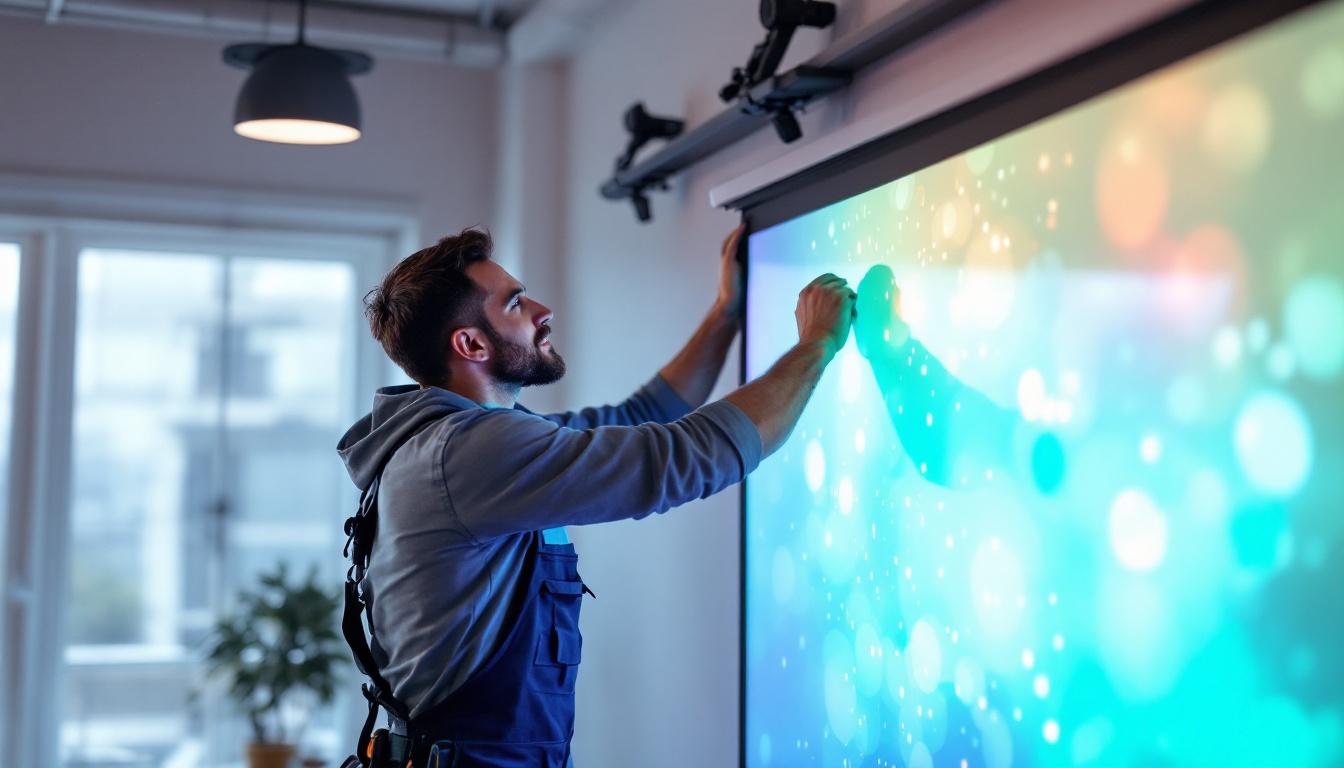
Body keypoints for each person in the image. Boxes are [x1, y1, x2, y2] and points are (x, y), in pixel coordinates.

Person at [336, 223, 855, 767]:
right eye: (515, 304)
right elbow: (690, 456)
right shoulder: (470, 453)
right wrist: (817, 344)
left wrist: (726, 311)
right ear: (470, 344)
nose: (542, 311)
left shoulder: (454, 443)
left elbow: (634, 420)